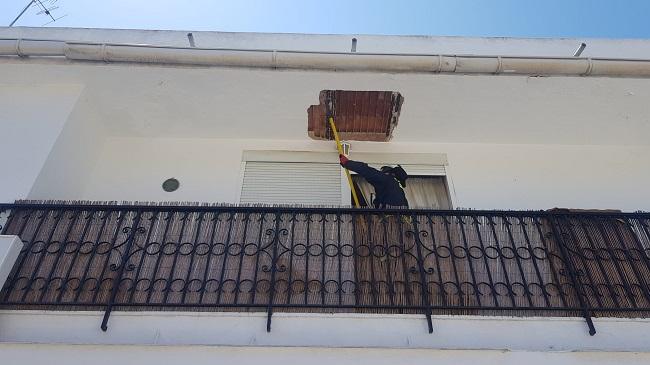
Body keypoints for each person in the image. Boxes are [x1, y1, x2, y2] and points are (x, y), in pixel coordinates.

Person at [339, 154, 409, 208]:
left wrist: (347, 163)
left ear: (389, 172)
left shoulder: (386, 180)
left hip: (389, 220)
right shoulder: (399, 191)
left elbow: (368, 171)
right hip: (401, 223)